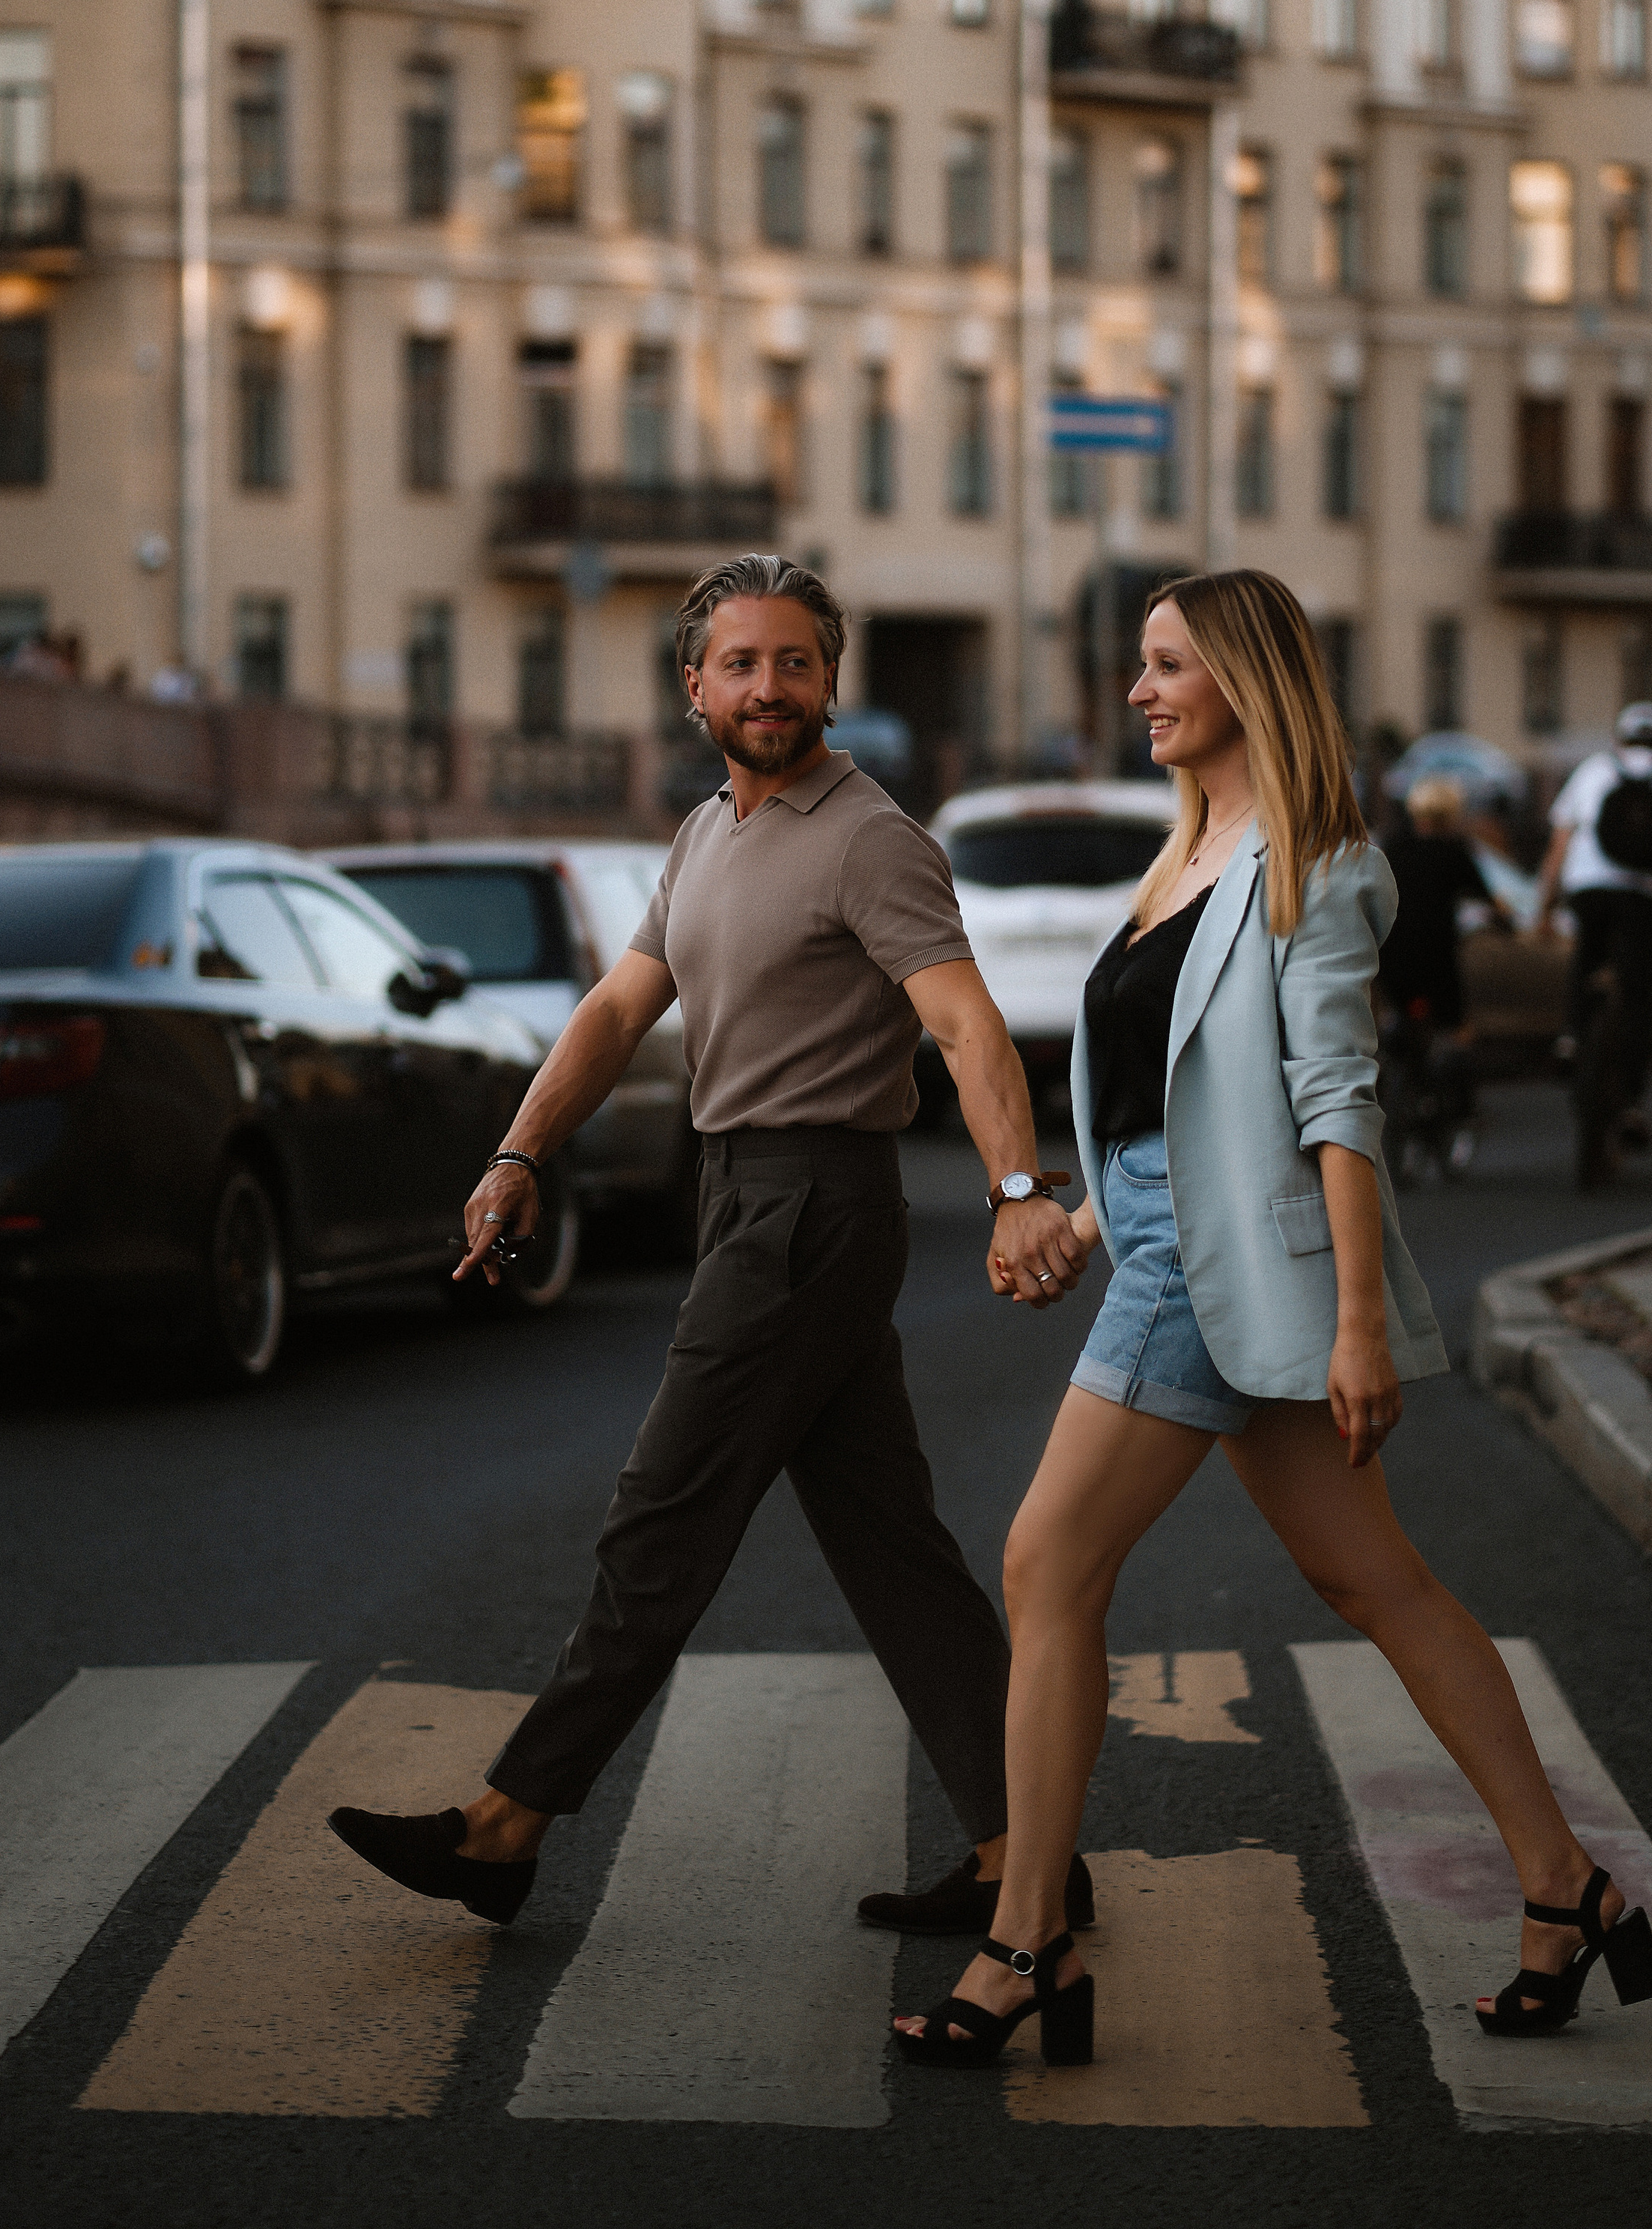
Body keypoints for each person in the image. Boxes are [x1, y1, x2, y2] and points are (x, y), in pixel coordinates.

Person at [892, 570, 1652, 2069]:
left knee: (1046, 1559)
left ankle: (1028, 1937)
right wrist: (1075, 1213)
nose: (1139, 688)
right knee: (1371, 1580)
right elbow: (1170, 1115)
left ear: (1247, 677)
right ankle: (1560, 1883)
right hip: (1168, 1247)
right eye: (1138, 662)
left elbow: (1332, 1105)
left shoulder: (1319, 865)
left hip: (1217, 1269)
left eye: (1167, 662)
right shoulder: (1181, 854)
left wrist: (1359, 1318)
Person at [330, 554, 1095, 1944]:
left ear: (830, 679)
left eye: (795, 661)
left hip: (815, 1200)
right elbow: (619, 1012)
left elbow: (968, 1021)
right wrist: (518, 1153)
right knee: (893, 1546)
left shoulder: (870, 836)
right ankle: (1020, 1854)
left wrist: (1020, 1188)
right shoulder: (702, 838)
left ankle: (507, 1825)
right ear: (695, 687)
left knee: (661, 1515)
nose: (769, 687)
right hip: (741, 1196)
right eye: (741, 663)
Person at [1534, 702, 1652, 1159]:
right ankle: (1632, 1102)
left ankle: (1572, 1037)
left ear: (1619, 738)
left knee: (1586, 958)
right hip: (1645, 901)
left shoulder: (1593, 770)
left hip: (1589, 891)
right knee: (1639, 998)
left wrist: (1543, 908)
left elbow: (1560, 844)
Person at [1377, 774, 1495, 1164]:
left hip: (1392, 962)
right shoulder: (1455, 851)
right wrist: (1505, 921)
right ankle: (1462, 1109)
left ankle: (1401, 1084)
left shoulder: (1393, 847)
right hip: (1438, 963)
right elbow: (1486, 899)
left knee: (1397, 1023)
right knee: (1459, 1031)